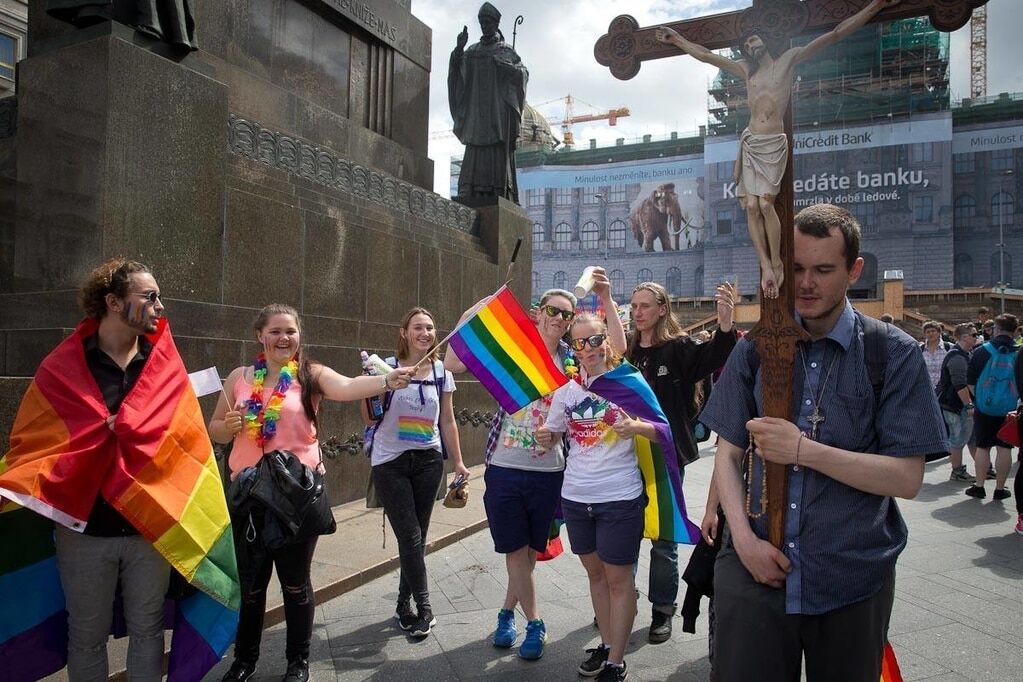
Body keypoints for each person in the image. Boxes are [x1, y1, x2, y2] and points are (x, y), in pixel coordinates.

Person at [699, 203, 947, 682]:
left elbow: (907, 477)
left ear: (854, 270)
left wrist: (802, 450)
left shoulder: (891, 354)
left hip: (851, 576)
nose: (806, 283)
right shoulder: (757, 347)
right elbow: (727, 453)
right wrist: (744, 543)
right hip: (754, 576)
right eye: (795, 269)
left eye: (823, 269)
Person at [210, 304, 415, 682]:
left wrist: (387, 381)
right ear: (260, 335)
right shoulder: (240, 377)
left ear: (299, 336)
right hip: (248, 497)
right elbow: (216, 430)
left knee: (295, 583)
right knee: (252, 586)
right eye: (275, 331)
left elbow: (349, 386)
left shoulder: (310, 375)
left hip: (294, 498)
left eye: (290, 331)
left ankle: (298, 661)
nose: (283, 338)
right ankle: (244, 661)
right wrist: (229, 425)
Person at [654, 0, 898, 298]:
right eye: (745, 44)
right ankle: (766, 265)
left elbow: (835, 34)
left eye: (753, 40)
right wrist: (677, 39)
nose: (750, 47)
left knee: (766, 204)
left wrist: (874, 7)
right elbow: (706, 56)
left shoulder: (789, 60)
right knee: (752, 207)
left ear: (765, 41)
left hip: (772, 143)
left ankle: (778, 263)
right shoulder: (746, 70)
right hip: (752, 141)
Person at [445, 272, 625, 660]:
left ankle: (507, 613)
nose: (559, 319)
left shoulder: (573, 361)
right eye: (553, 312)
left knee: (527, 552)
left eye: (566, 314)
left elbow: (614, 355)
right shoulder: (511, 349)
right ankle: (535, 623)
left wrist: (557, 435)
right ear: (538, 313)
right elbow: (452, 360)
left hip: (549, 471)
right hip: (505, 465)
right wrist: (477, 307)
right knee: (514, 549)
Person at [624, 281, 737, 643]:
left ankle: (662, 610)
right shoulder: (627, 350)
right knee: (622, 530)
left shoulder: (678, 349)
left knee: (663, 534)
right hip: (625, 455)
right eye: (633, 305)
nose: (637, 312)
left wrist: (724, 323)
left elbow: (714, 357)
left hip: (665, 455)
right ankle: (620, 599)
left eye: (644, 306)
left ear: (662, 309)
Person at [536, 312, 645, 682]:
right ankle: (607, 641)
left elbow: (662, 429)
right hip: (577, 497)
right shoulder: (567, 391)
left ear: (608, 340)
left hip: (619, 497)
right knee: (595, 576)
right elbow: (551, 434)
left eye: (596, 339)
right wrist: (544, 437)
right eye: (580, 342)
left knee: (619, 580)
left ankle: (616, 659)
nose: (589, 348)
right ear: (574, 347)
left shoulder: (628, 382)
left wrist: (636, 426)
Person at [362, 307, 471, 639]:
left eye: (430, 328)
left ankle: (401, 604)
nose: (425, 333)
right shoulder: (384, 367)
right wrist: (383, 383)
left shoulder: (442, 373)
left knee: (417, 538)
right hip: (390, 462)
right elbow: (369, 418)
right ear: (404, 332)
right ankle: (425, 609)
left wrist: (459, 462)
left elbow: (448, 421)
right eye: (418, 328)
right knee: (409, 536)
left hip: (428, 462)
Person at [447, 2, 528, 201]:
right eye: (481, 22)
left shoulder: (506, 51)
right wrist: (458, 50)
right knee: (474, 145)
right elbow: (457, 72)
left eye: (488, 22)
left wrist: (509, 69)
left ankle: (499, 189)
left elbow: (523, 73)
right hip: (476, 112)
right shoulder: (472, 51)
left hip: (497, 113)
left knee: (495, 147)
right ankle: (470, 188)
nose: (484, 25)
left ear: (496, 23)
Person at [964, 313, 1020, 501]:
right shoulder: (1019, 352)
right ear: (1015, 331)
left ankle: (979, 486)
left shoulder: (982, 351)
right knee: (1005, 447)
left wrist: (980, 398)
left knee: (983, 446)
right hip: (1010, 408)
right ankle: (999, 489)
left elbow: (970, 380)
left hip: (984, 406)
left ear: (996, 329)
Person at [936, 324, 980, 482]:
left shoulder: (965, 354)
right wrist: (968, 404)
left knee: (966, 437)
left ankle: (982, 468)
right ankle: (957, 471)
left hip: (956, 404)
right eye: (974, 335)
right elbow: (960, 384)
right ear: (964, 337)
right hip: (955, 405)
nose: (976, 337)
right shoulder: (957, 357)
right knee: (958, 438)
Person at [920, 320, 952, 387]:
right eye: (928, 332)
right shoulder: (920, 349)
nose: (931, 334)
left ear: (939, 332)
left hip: (945, 389)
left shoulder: (949, 347)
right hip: (926, 389)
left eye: (933, 331)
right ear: (924, 334)